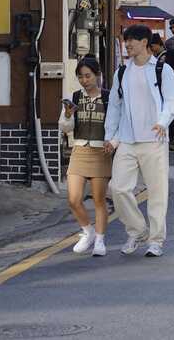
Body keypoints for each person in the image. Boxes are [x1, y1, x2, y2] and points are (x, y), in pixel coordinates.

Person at [104, 24, 174, 258]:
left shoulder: (162, 70)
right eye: (126, 41)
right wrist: (111, 137)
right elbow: (115, 106)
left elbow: (170, 101)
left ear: (145, 42)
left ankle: (156, 240)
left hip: (154, 139)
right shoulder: (122, 72)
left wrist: (163, 122)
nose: (127, 45)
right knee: (118, 188)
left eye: (131, 41)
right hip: (127, 139)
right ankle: (137, 230)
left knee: (157, 193)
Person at [59, 55, 112, 257]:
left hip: (101, 151)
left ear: (97, 75)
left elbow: (115, 123)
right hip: (80, 150)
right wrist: (67, 114)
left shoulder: (108, 97)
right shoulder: (74, 98)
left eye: (88, 76)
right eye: (80, 76)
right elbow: (65, 128)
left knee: (99, 199)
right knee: (73, 199)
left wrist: (113, 142)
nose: (84, 80)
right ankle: (87, 231)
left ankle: (100, 239)